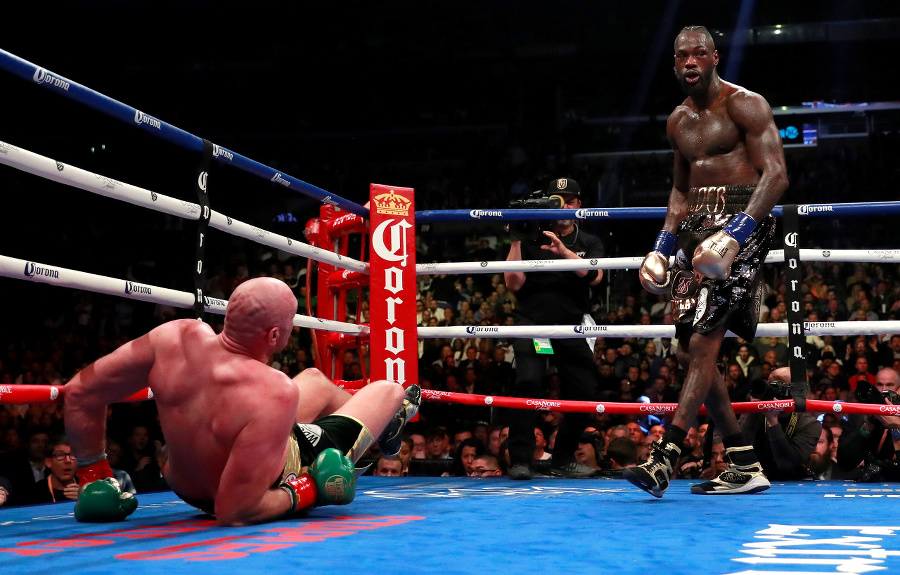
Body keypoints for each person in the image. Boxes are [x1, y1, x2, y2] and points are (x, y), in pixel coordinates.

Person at [64, 277, 419, 525]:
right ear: (275, 335)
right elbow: (234, 511)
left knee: (313, 379)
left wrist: (94, 476)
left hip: (184, 483)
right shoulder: (274, 390)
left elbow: (80, 392)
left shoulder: (172, 338)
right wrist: (312, 489)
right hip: (247, 492)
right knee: (389, 390)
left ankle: (380, 432)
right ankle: (384, 426)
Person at [625, 25, 788, 497]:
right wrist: (662, 242)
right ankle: (743, 462)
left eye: (699, 53)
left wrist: (737, 234)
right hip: (695, 227)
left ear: (715, 57)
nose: (691, 61)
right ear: (674, 64)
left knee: (702, 342)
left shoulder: (745, 104)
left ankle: (666, 457)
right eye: (682, 56)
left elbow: (776, 176)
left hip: (744, 220)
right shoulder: (677, 121)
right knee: (686, 351)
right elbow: (680, 188)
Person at [504, 177, 605, 479]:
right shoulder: (531, 237)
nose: (564, 207)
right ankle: (520, 460)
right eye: (556, 201)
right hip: (532, 324)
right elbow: (513, 283)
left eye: (570, 201)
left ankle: (562, 458)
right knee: (528, 382)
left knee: (584, 389)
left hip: (571, 326)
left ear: (579, 205)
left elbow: (595, 276)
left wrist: (562, 251)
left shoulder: (588, 242)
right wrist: (517, 237)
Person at [739, 368, 822, 480]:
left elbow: (786, 464)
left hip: (792, 483)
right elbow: (738, 453)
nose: (774, 391)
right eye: (771, 386)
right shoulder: (753, 415)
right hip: (754, 481)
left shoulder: (810, 424)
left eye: (780, 388)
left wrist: (773, 421)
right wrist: (754, 410)